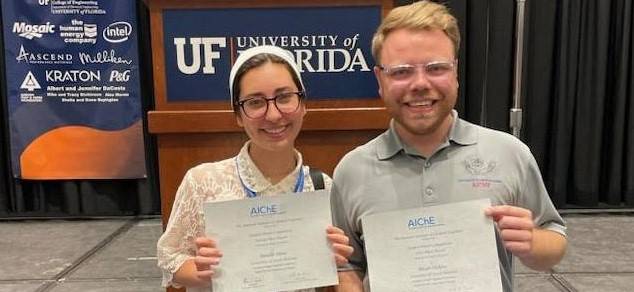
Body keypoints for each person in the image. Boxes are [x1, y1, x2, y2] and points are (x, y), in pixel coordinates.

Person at [330, 1, 567, 291]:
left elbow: (554, 239)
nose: (420, 83)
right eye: (402, 71)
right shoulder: (351, 170)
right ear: (381, 80)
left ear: (455, 72)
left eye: (436, 68)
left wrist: (533, 242)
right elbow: (348, 265)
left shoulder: (509, 153)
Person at [157, 45, 353, 292]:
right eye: (255, 102)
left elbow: (328, 278)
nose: (273, 115)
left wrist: (334, 262)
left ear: (303, 104)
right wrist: (200, 271)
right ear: (238, 115)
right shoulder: (203, 182)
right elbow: (169, 256)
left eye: (284, 97)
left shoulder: (322, 186)